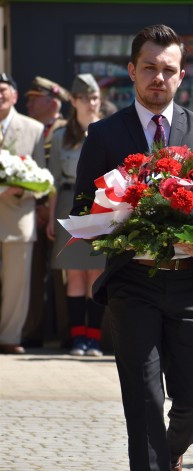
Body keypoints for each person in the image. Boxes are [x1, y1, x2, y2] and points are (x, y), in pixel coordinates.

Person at [71, 24, 193, 471]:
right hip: (132, 283)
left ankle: (172, 453)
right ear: (132, 72)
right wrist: (121, 220)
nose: (158, 77)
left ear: (181, 75)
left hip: (189, 282)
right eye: (149, 68)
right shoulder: (106, 135)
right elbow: (81, 211)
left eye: (168, 69)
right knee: (141, 397)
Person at [47, 74, 106, 356]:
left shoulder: (108, 130)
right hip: (68, 205)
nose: (92, 103)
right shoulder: (61, 136)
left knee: (96, 273)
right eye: (86, 98)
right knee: (74, 276)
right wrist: (49, 219)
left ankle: (93, 337)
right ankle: (76, 337)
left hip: (99, 204)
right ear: (73, 101)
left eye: (95, 98)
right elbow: (55, 181)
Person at [23, 76, 70, 349]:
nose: (28, 103)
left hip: (57, 211)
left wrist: (47, 208)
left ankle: (66, 332)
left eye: (33, 98)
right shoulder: (29, 130)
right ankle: (32, 331)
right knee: (32, 275)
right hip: (31, 211)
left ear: (53, 101)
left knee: (63, 275)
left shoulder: (66, 129)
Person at [0, 73, 45, 354]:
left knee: (17, 283)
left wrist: (20, 189)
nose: (0, 96)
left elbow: (42, 178)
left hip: (18, 215)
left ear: (15, 95)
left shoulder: (33, 129)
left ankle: (9, 337)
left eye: (3, 90)